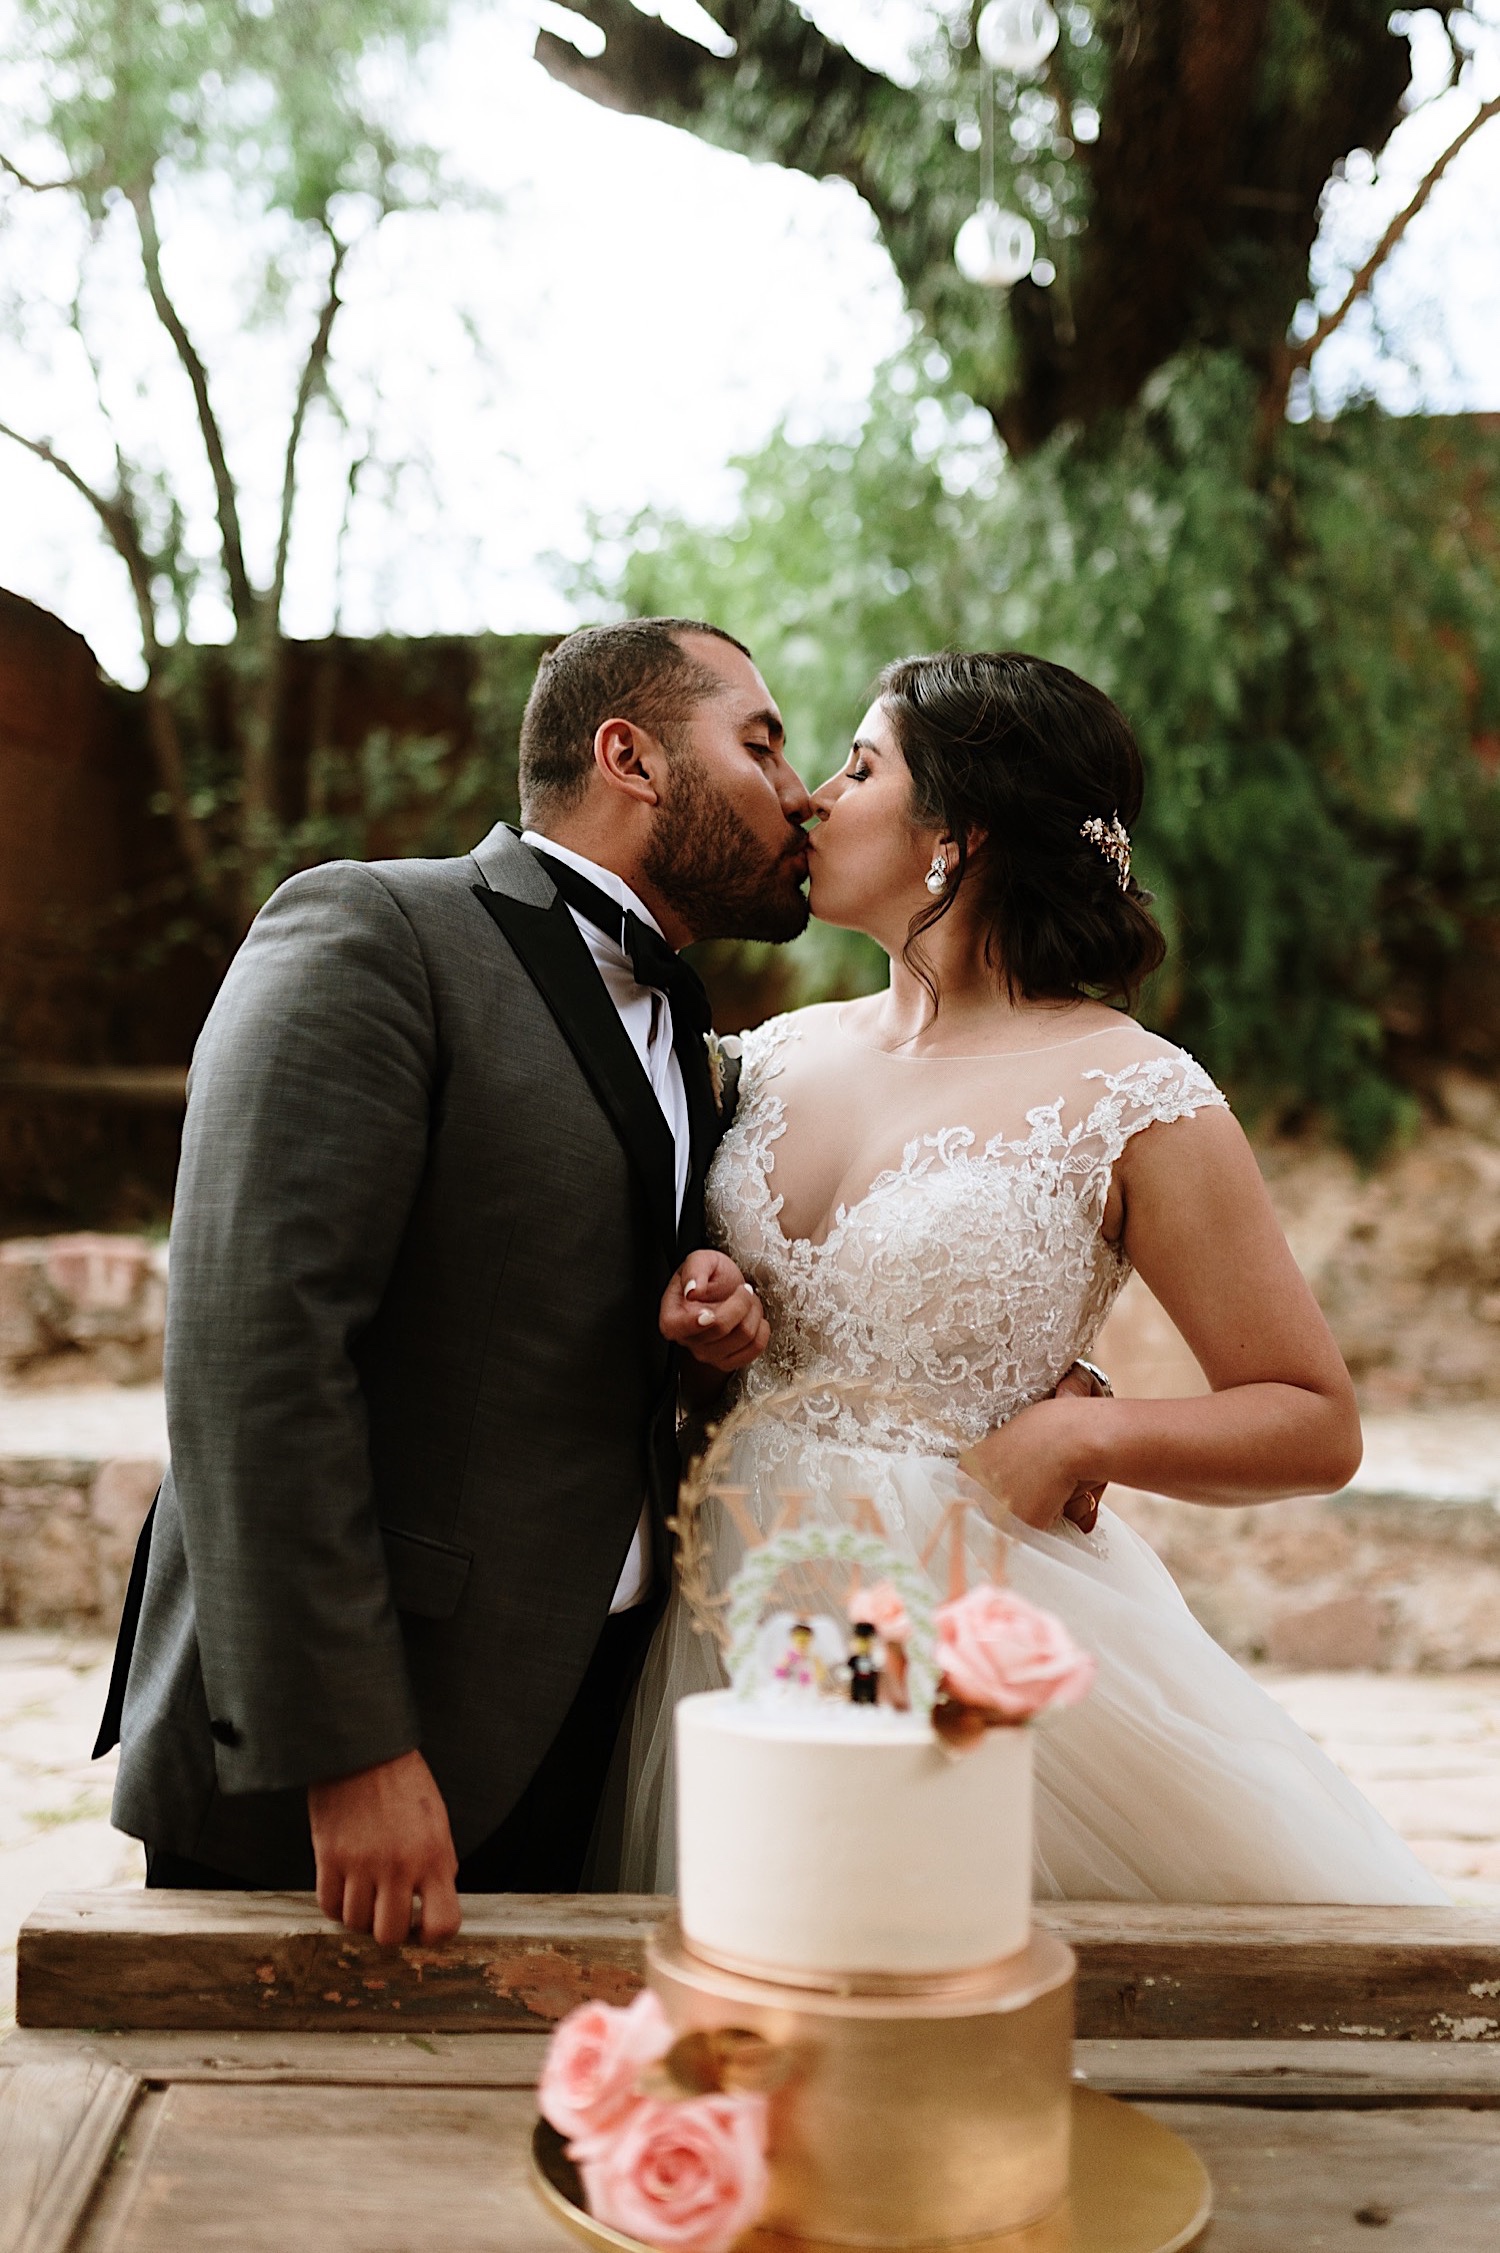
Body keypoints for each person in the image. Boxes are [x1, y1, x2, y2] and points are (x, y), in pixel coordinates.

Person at [621, 648, 1447, 1906]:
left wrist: (1080, 1435)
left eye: (859, 765)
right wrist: (702, 1306)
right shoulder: (762, 1060)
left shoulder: (1136, 1094)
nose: (815, 800)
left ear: (960, 833)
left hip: (965, 1608)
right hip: (720, 1593)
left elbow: (1312, 1419)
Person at [95, 617, 802, 1944]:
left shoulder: (685, 1020)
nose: (799, 788)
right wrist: (346, 1746)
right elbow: (255, 1348)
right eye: (760, 742)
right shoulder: (377, 928)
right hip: (364, 1746)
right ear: (630, 756)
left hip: (586, 1722)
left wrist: (694, 1312)